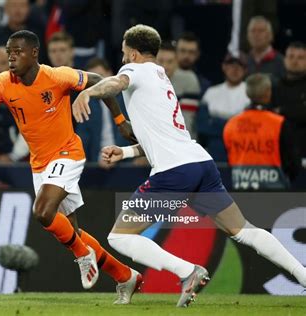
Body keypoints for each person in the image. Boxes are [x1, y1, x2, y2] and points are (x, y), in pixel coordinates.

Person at [72, 24, 306, 307]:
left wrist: (89, 93)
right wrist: (125, 152)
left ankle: (188, 271)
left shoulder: (135, 71)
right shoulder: (161, 78)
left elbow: (116, 84)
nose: (122, 60)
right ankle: (303, 276)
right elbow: (163, 137)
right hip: (199, 163)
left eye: (123, 54)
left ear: (133, 53)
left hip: (174, 172)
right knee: (244, 230)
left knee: (120, 237)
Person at [0, 30, 142, 304]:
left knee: (42, 212)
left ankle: (82, 254)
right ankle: (125, 276)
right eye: (8, 52)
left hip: (68, 153)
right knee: (73, 233)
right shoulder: (3, 83)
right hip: (39, 164)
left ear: (34, 53)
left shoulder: (57, 76)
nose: (11, 57)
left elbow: (100, 81)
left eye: (17, 51)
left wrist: (121, 120)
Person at [224, 73, 300, 190]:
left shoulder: (231, 124)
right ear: (268, 92)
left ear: (247, 93)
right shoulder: (279, 123)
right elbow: (293, 164)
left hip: (241, 190)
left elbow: (229, 158)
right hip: (274, 192)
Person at [197, 53, 250, 162]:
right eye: (231, 65)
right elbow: (202, 126)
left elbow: (248, 129)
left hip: (242, 152)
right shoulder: (211, 93)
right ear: (224, 67)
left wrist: (215, 122)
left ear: (245, 70)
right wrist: (233, 123)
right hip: (215, 153)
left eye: (239, 66)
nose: (235, 69)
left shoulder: (250, 94)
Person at [157, 41, 200, 139]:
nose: (165, 66)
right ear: (155, 62)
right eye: (161, 61)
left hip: (181, 140)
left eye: (170, 61)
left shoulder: (189, 80)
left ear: (177, 62)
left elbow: (187, 122)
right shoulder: (146, 79)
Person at [272, 41, 306, 158]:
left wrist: (281, 111)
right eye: (291, 56)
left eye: (300, 57)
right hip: (279, 153)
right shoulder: (274, 87)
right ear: (284, 60)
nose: (295, 61)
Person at [246, 16, 285, 82]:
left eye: (261, 31)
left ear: (270, 35)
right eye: (253, 31)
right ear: (248, 35)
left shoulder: (281, 62)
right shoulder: (243, 61)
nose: (256, 34)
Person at [176, 32, 211, 96]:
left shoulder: (204, 85)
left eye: (191, 52)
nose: (186, 56)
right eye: (182, 51)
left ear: (198, 54)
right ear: (175, 51)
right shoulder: (163, 78)